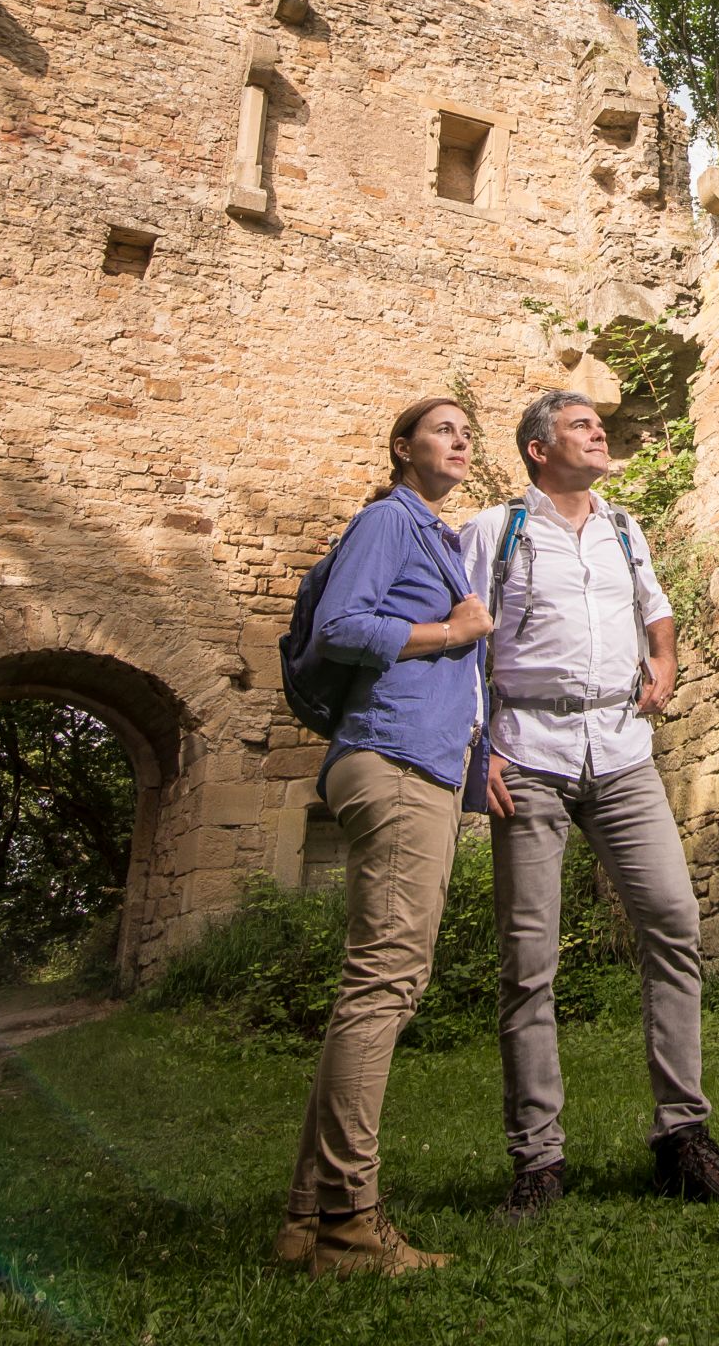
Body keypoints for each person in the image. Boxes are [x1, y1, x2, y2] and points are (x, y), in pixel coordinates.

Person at [463, 389, 719, 1220]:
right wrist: (474, 748)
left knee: (674, 923)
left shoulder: (627, 527)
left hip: (624, 754)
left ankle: (681, 1138)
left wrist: (664, 663)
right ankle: (538, 1161)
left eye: (599, 422)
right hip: (527, 757)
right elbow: (459, 644)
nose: (599, 431)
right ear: (537, 450)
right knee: (528, 963)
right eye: (580, 425)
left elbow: (655, 613)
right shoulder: (495, 532)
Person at [276, 396, 496, 1278]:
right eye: (442, 429)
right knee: (385, 987)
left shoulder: (435, 538)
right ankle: (351, 1228)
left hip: (421, 764)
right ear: (403, 449)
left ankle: (305, 1221)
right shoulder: (389, 519)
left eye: (465, 433)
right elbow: (342, 626)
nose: (459, 441)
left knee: (375, 987)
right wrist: (453, 629)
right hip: (394, 763)